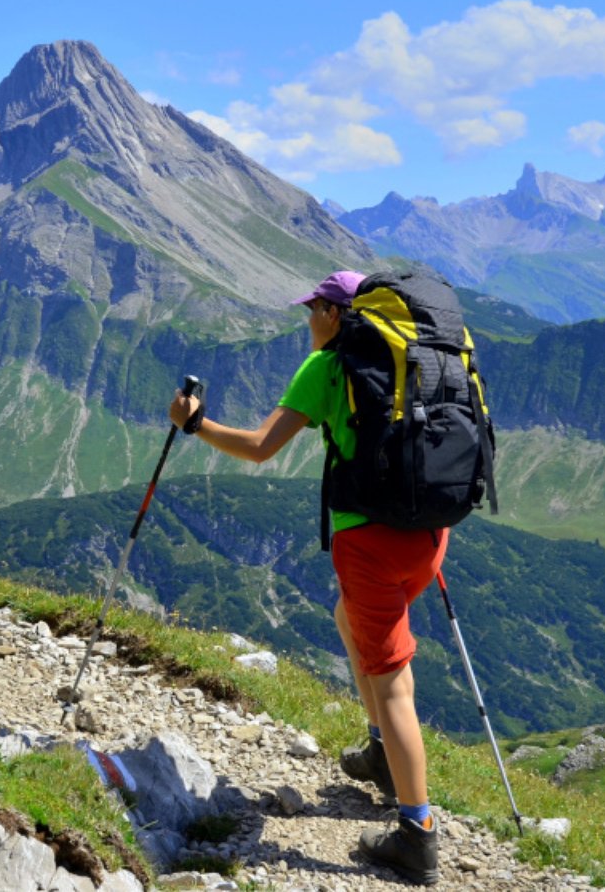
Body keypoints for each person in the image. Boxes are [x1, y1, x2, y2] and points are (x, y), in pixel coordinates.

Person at [169, 270, 443, 885]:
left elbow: (261, 447)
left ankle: (417, 833)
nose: (308, 321)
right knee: (352, 621)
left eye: (313, 310)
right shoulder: (417, 356)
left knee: (394, 678)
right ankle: (379, 751)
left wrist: (194, 424)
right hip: (429, 530)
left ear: (334, 313)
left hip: (369, 539)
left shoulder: (327, 367)